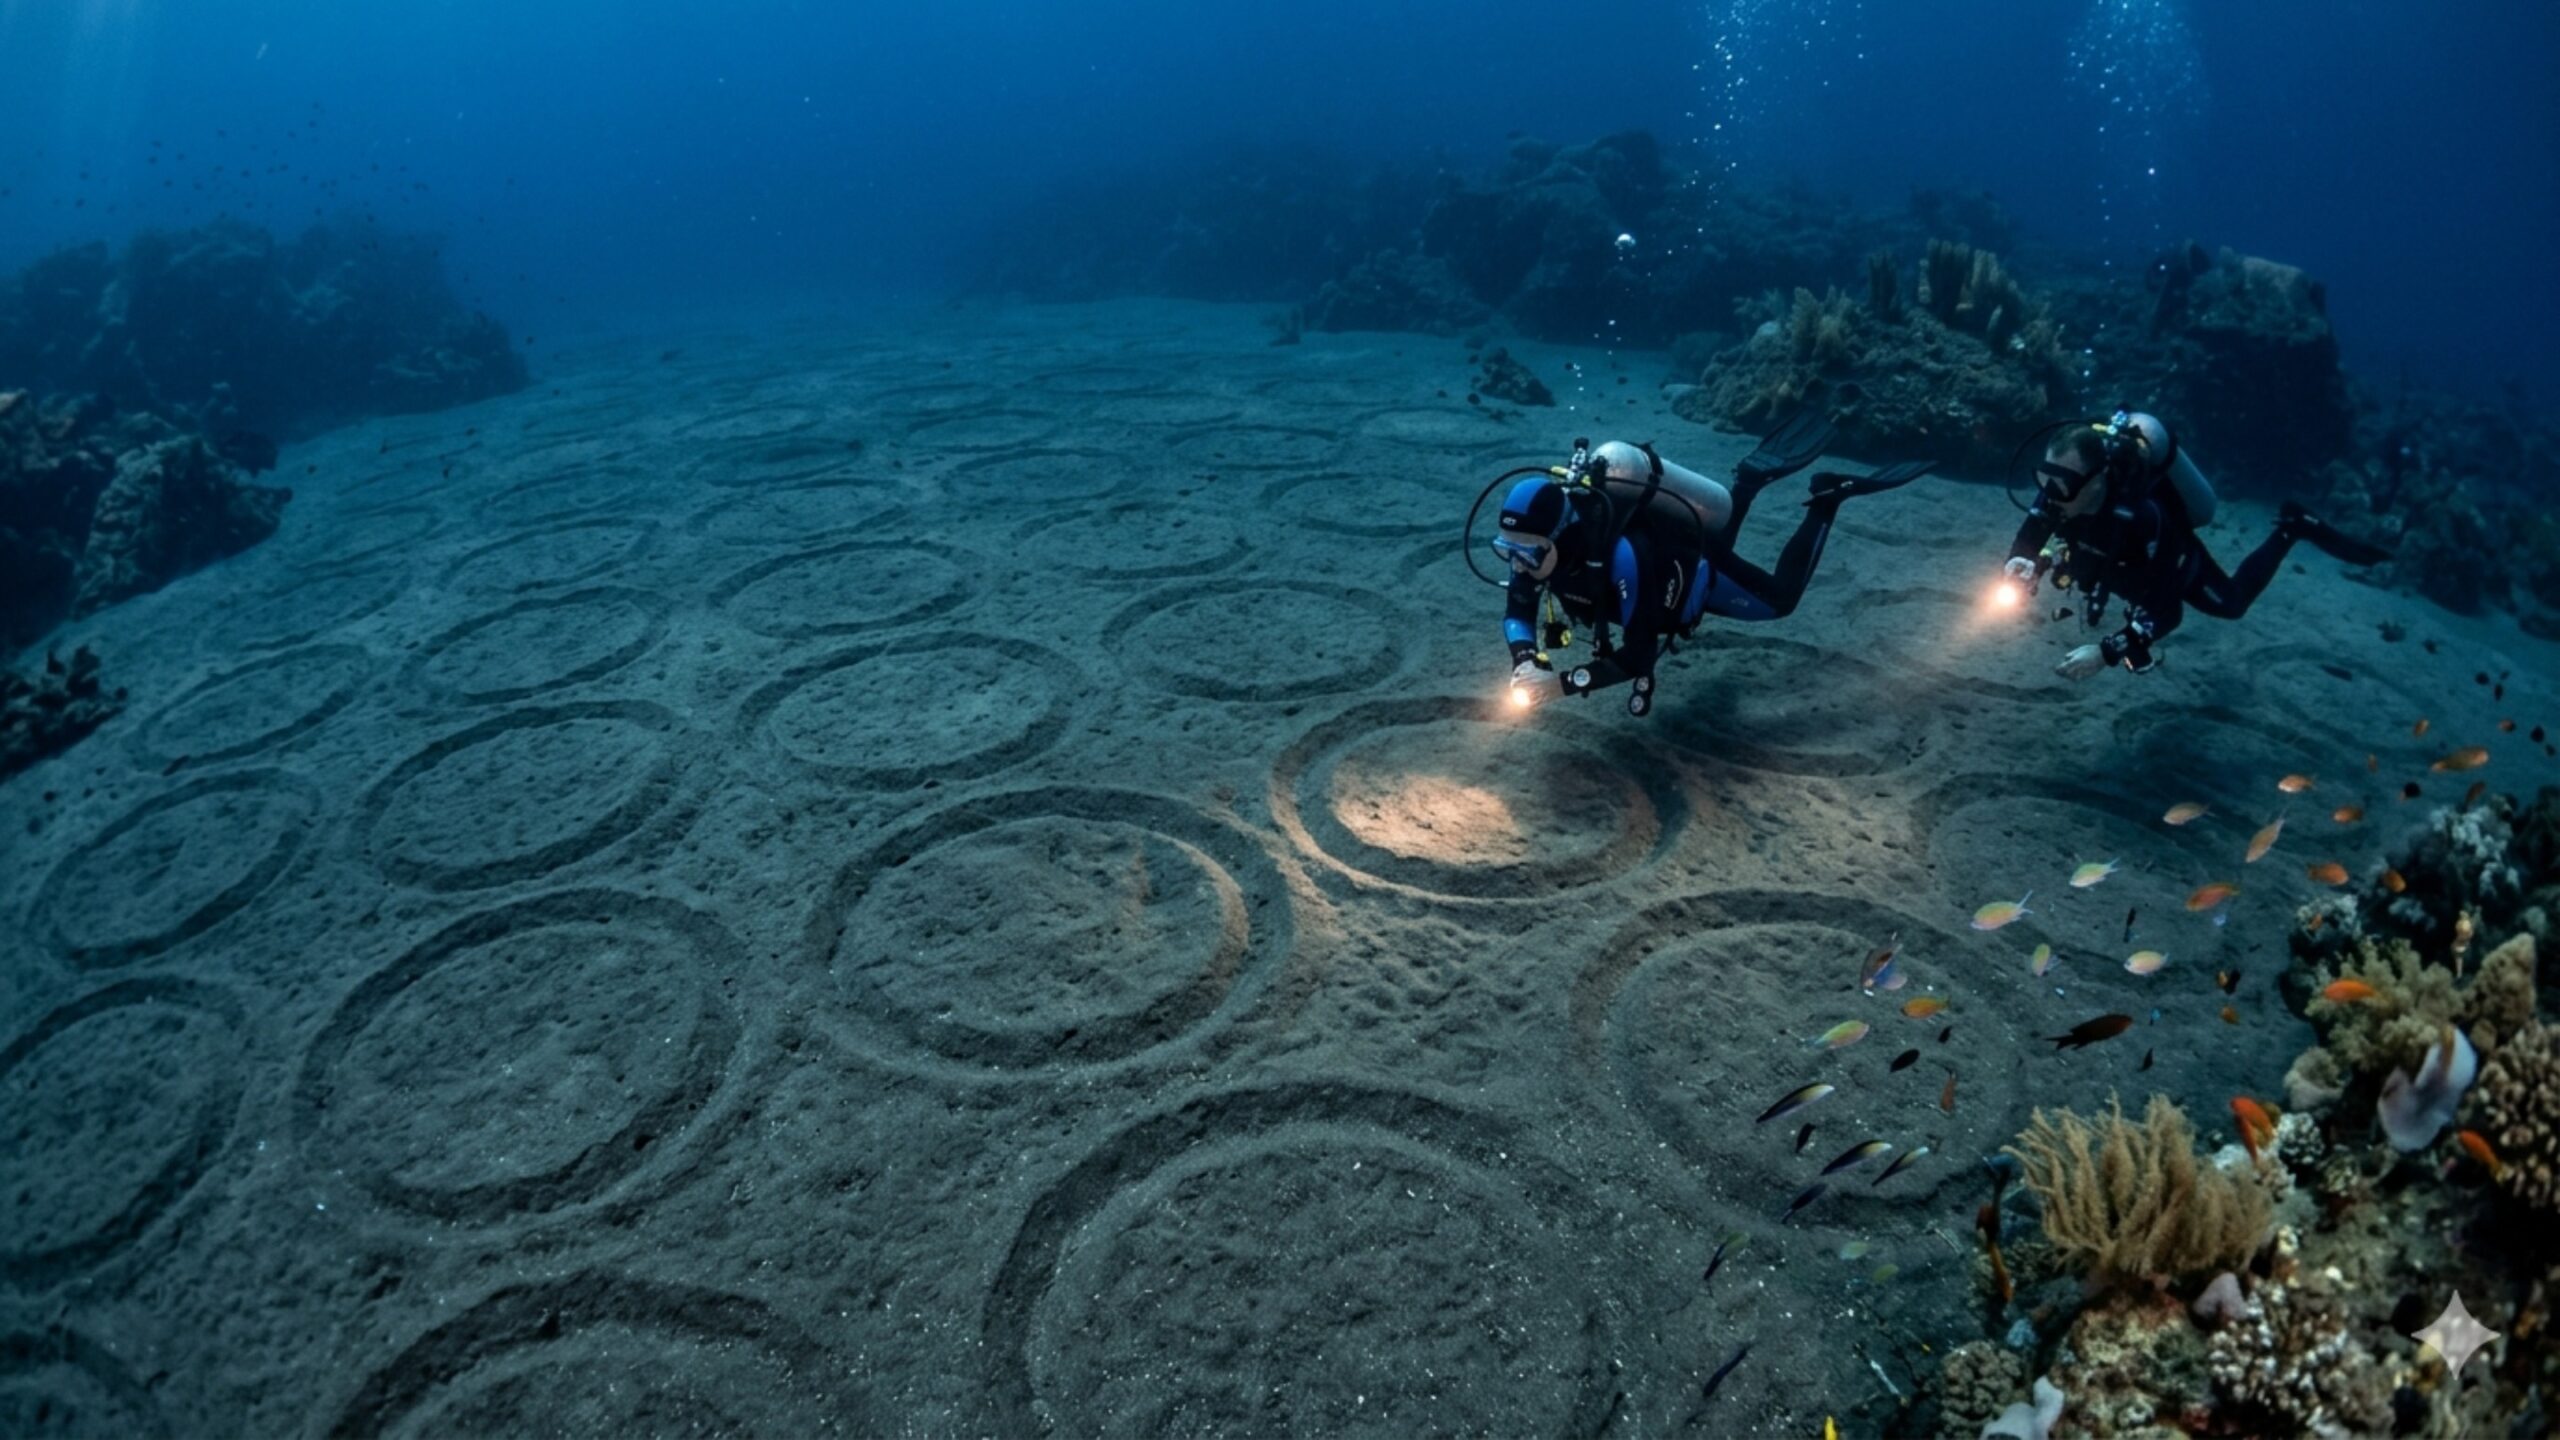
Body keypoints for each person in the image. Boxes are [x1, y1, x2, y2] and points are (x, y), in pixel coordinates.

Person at [1491, 412, 1932, 716]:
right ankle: (1747, 482)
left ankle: (1827, 499)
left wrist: (1560, 686)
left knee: (1780, 601)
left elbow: (1637, 657)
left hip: (1692, 569)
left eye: (1528, 554)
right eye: (1507, 551)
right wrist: (1524, 661)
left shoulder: (1624, 556)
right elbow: (1517, 610)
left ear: (1562, 535)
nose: (1519, 566)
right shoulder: (1535, 548)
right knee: (1717, 533)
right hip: (1670, 555)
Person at [1999, 410, 2391, 679]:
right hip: (2113, 565)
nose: (2049, 493)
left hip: (2167, 566)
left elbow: (2167, 612)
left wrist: (2106, 653)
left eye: (2063, 483)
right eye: (2044, 478)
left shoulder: (2142, 519)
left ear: (2098, 480)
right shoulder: (2061, 492)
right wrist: (2021, 561)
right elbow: (2031, 533)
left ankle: (2292, 527)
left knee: (2231, 604)